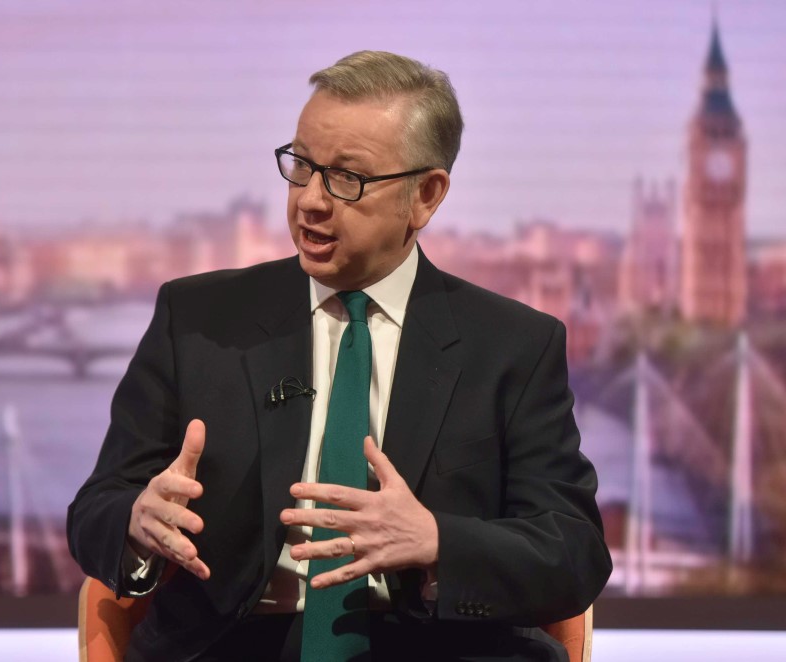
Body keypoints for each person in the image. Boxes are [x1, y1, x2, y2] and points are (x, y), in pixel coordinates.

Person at [67, 50, 612, 661]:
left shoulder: (513, 346)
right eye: (301, 166)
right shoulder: (197, 319)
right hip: (235, 642)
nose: (310, 202)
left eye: (346, 178)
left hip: (438, 644)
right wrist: (139, 524)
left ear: (425, 197)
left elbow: (573, 552)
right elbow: (96, 509)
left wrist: (438, 540)